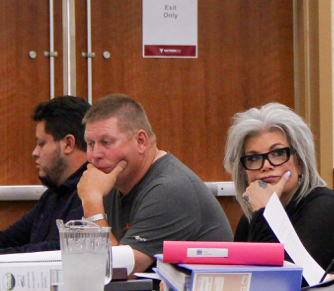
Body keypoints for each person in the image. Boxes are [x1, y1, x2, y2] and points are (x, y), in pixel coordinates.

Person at [77, 94, 233, 273]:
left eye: (106, 142)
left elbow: (116, 272)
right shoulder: (111, 182)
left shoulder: (169, 190)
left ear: (141, 141)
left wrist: (92, 204)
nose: (95, 155)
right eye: (90, 144)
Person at [224, 103, 334, 274]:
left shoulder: (327, 207)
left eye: (278, 153)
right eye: (254, 158)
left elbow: (281, 280)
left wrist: (266, 210)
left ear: (300, 162)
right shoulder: (252, 219)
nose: (266, 166)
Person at [0, 96, 90, 254]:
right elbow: (9, 239)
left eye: (41, 144)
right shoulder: (53, 196)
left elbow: (60, 251)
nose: (34, 153)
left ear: (68, 144)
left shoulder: (90, 192)